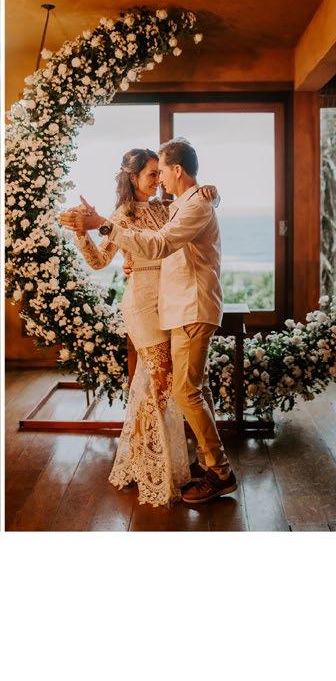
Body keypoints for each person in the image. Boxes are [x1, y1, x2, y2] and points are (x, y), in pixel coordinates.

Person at [61, 137, 235, 505]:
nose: (158, 180)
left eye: (161, 173)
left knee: (179, 387)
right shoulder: (120, 215)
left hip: (177, 302)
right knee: (162, 382)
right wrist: (82, 232)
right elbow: (98, 262)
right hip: (145, 302)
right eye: (152, 174)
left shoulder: (168, 207)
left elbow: (191, 213)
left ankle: (186, 462)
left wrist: (213, 192)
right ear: (134, 177)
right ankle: (156, 463)